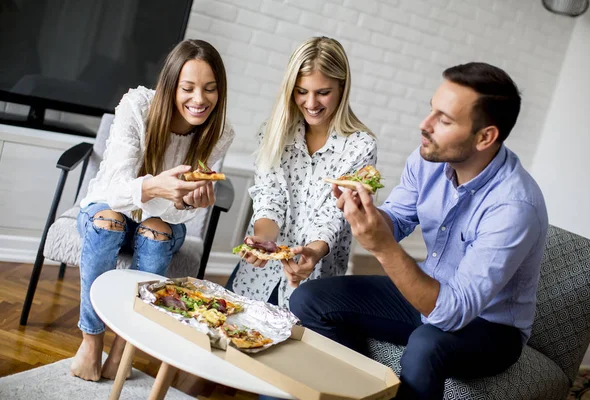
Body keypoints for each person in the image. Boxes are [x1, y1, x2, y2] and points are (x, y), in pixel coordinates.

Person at [290, 62, 548, 399]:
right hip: (431, 292)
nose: (424, 126)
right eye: (431, 110)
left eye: (444, 120)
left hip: (490, 326)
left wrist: (382, 247)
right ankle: (360, 393)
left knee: (426, 345)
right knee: (308, 299)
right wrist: (366, 211)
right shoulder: (426, 159)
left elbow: (451, 312)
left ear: (486, 137)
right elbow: (396, 221)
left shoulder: (515, 205)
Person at [70, 39, 235, 381]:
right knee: (108, 222)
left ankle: (124, 345)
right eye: (188, 88)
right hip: (108, 210)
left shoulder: (220, 132)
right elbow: (114, 187)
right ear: (171, 84)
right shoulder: (138, 105)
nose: (199, 100)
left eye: (210, 89)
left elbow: (182, 216)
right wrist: (152, 186)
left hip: (162, 223)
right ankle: (91, 338)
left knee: (158, 234)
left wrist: (187, 200)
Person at [226, 36, 377, 308]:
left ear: (342, 88)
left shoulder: (360, 146)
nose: (310, 102)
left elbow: (335, 214)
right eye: (301, 91)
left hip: (315, 283)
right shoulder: (272, 133)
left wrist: (313, 252)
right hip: (257, 276)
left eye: (322, 92)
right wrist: (263, 241)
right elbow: (269, 196)